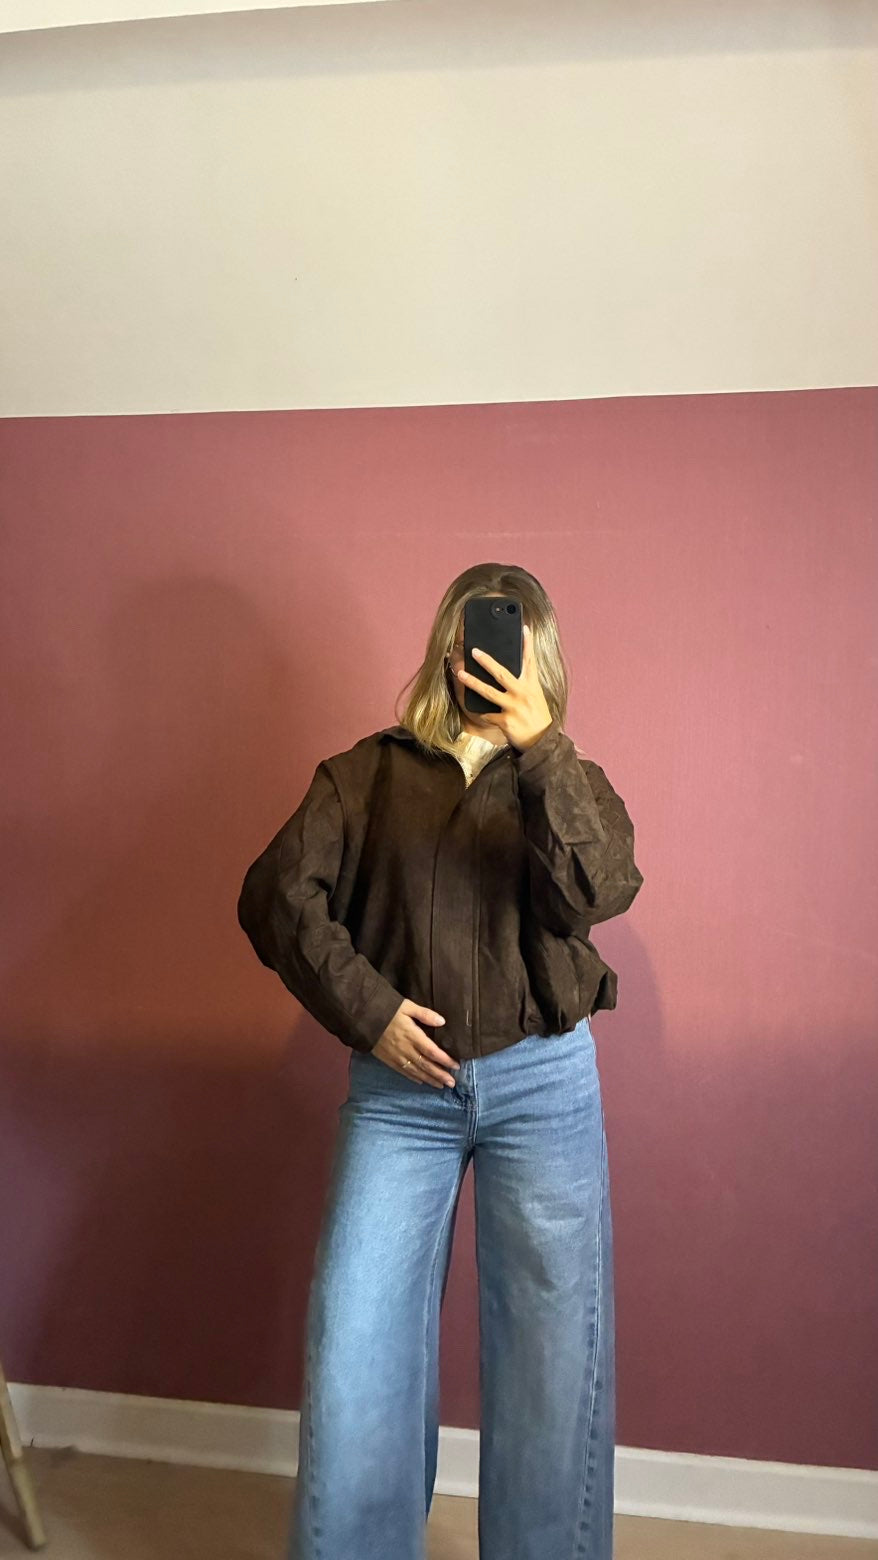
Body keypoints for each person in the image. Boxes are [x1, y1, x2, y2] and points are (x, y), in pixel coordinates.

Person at [237, 562, 643, 1560]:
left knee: (554, 1351)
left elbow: (601, 890)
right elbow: (274, 896)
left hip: (543, 1085)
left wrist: (540, 749)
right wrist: (369, 1011)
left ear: (541, 661)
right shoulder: (365, 777)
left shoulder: (569, 783)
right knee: (357, 1340)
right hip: (398, 1095)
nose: (488, 662)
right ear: (445, 650)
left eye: (511, 646)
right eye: (473, 640)